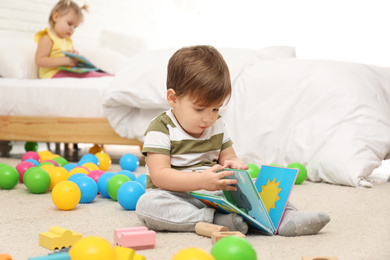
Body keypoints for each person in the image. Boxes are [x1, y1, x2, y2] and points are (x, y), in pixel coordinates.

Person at [135, 45, 330, 236]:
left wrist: (234, 165)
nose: (208, 118)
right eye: (199, 109)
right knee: (147, 206)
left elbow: (230, 157)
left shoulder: (216, 125)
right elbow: (160, 176)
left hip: (215, 193)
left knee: (259, 184)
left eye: (216, 109)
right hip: (176, 196)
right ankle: (214, 220)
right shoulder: (160, 128)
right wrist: (201, 181)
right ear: (173, 98)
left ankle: (287, 217)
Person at [35, 0, 111, 79]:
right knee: (88, 76)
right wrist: (64, 61)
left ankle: (108, 77)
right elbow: (39, 61)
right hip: (51, 74)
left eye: (75, 27)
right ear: (56, 17)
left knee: (90, 73)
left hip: (65, 71)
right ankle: (108, 78)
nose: (72, 29)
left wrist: (73, 56)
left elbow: (67, 57)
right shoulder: (47, 38)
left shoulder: (67, 40)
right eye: (69, 24)